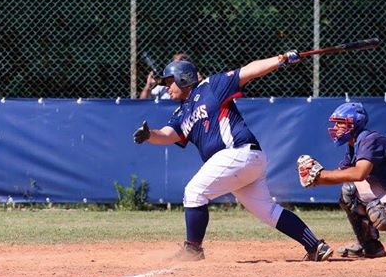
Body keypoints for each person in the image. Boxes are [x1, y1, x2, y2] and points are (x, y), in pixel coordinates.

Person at [132, 53, 333, 262]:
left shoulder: (211, 86)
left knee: (194, 192)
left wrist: (280, 59)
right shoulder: (181, 113)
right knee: (269, 212)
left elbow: (247, 71)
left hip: (238, 153)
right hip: (242, 162)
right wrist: (150, 135)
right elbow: (167, 134)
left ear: (183, 78)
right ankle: (315, 246)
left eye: (169, 81)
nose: (166, 87)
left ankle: (193, 250)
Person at [297, 102, 386, 258]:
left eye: (341, 123)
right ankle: (370, 245)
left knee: (379, 211)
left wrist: (323, 175)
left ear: (355, 124)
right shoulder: (354, 145)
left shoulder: (369, 140)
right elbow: (341, 174)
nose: (336, 127)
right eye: (336, 123)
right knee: (349, 193)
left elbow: (360, 173)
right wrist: (317, 178)